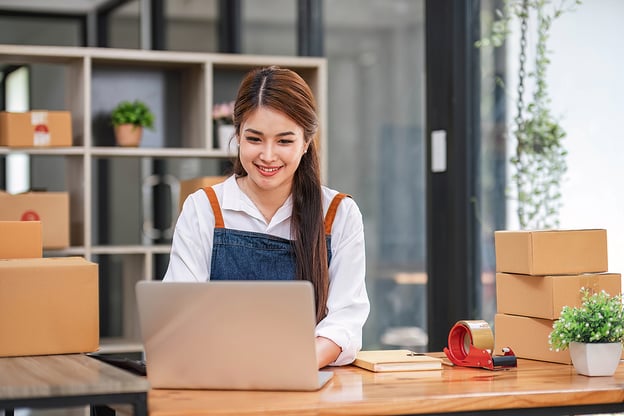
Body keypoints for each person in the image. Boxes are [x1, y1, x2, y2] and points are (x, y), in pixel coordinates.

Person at [163, 66, 369, 368]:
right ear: (237, 136)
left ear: (306, 142)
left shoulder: (337, 214)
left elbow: (345, 321)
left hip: (304, 377)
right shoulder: (205, 208)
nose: (268, 156)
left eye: (284, 141)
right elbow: (178, 313)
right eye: (255, 139)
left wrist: (291, 365)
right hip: (220, 376)